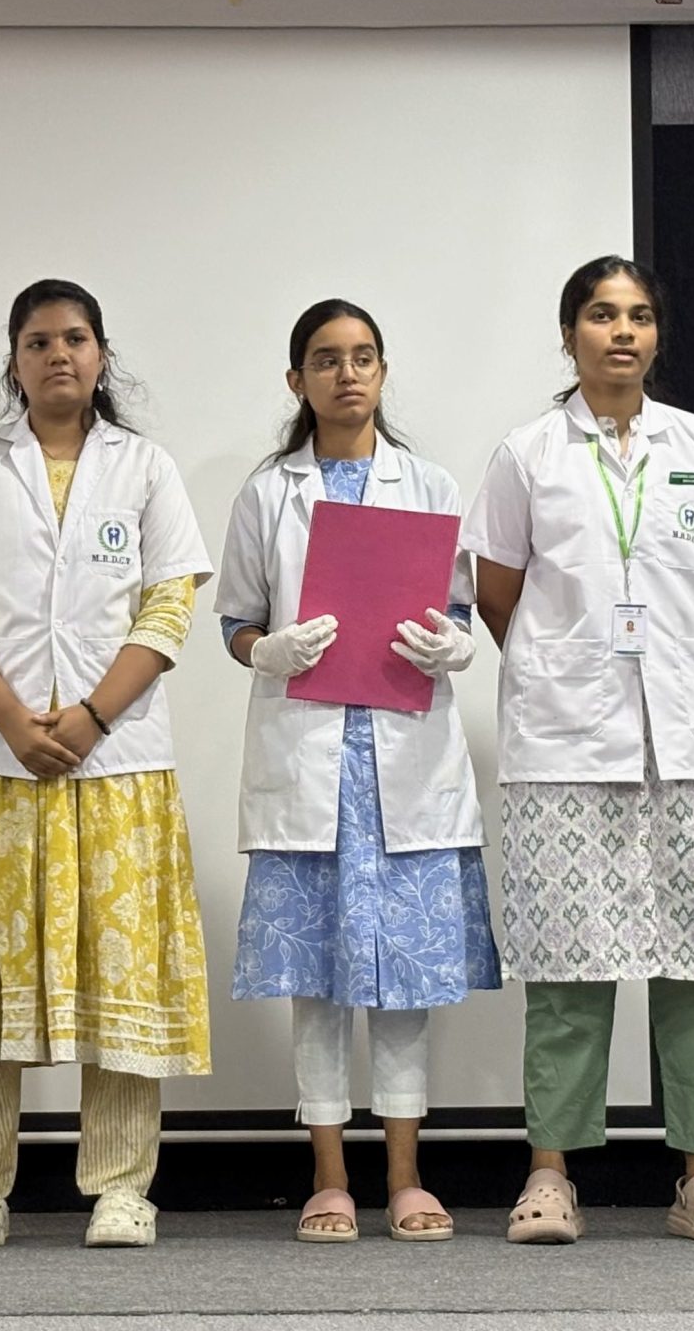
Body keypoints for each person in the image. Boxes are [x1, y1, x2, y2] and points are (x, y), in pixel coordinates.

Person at [0, 278, 215, 1251]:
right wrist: (12, 720)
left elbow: (169, 605)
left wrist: (90, 717)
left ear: (101, 355)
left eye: (75, 338)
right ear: (15, 361)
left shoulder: (145, 467)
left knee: (117, 972)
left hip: (115, 763)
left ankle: (120, 1187)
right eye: (38, 342)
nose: (58, 354)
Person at [461, 256, 694, 1246]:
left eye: (639, 315)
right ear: (570, 336)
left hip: (692, 740)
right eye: (601, 315)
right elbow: (498, 591)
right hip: (566, 741)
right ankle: (550, 1174)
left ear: (656, 335)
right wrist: (565, 665)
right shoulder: (527, 454)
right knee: (566, 966)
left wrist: (674, 652)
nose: (623, 332)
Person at [216, 298, 499, 1243]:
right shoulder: (269, 492)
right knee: (321, 982)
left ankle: (407, 1177)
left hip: (404, 761)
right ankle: (330, 1176)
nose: (348, 373)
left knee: (406, 982)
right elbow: (236, 620)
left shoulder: (429, 485)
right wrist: (266, 650)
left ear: (382, 372)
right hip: (312, 762)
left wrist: (453, 645)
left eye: (364, 356)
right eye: (328, 359)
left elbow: (459, 609)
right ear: (296, 379)